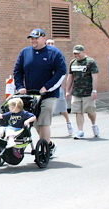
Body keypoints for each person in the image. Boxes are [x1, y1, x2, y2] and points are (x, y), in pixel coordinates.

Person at [13, 29, 66, 157]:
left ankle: (44, 151)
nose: (33, 41)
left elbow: (61, 72)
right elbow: (17, 71)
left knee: (43, 122)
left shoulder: (54, 53)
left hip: (48, 94)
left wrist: (47, 87)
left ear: (43, 39)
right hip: (31, 95)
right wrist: (20, 86)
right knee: (35, 122)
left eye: (36, 38)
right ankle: (48, 144)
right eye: (32, 38)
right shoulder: (24, 52)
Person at [65, 45, 100, 139]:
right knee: (78, 111)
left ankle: (94, 124)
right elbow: (70, 77)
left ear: (83, 52)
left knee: (90, 112)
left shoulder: (90, 62)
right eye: (75, 53)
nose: (76, 55)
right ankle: (80, 131)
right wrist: (68, 90)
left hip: (88, 92)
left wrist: (94, 90)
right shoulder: (73, 63)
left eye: (78, 53)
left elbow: (95, 76)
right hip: (76, 92)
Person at [46, 38, 73, 136]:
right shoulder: (43, 55)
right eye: (48, 43)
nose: (50, 44)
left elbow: (62, 72)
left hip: (57, 87)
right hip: (46, 87)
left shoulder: (58, 56)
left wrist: (64, 88)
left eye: (52, 43)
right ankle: (46, 129)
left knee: (62, 108)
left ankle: (68, 122)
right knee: (47, 109)